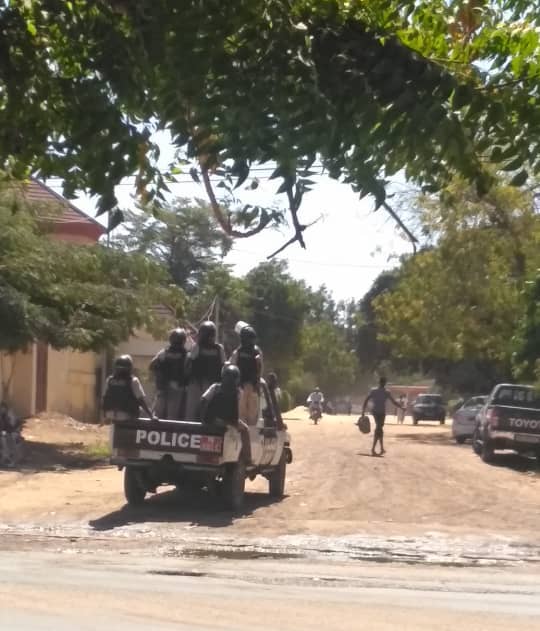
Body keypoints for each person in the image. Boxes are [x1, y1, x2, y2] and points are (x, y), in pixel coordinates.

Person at [199, 364, 252, 464]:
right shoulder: (238, 392)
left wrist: (203, 418)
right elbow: (238, 410)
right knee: (245, 430)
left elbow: (203, 400)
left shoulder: (215, 387)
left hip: (211, 419)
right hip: (229, 421)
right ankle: (247, 458)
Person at [184, 321, 226, 420]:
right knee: (193, 411)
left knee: (204, 411)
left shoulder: (217, 348)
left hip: (210, 385)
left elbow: (188, 364)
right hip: (197, 383)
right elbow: (189, 364)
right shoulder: (216, 348)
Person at [102, 355, 156, 422]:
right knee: (140, 409)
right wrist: (151, 416)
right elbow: (141, 400)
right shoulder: (133, 380)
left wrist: (104, 413)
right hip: (126, 415)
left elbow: (104, 398)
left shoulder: (110, 380)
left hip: (110, 414)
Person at [149, 328, 188, 420]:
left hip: (166, 386)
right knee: (171, 415)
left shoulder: (164, 353)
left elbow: (152, 366)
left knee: (158, 413)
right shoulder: (185, 354)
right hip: (174, 387)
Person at [362, 376, 404, 456]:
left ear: (379, 382)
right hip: (380, 412)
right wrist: (401, 407)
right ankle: (373, 449)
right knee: (379, 429)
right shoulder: (386, 392)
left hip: (376, 412)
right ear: (384, 383)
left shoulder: (374, 391)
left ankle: (381, 448)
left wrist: (363, 411)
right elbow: (393, 402)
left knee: (380, 429)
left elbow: (366, 400)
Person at [230, 325, 263, 426]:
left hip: (247, 387)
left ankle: (248, 436)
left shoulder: (239, 352)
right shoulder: (240, 352)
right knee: (247, 416)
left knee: (246, 415)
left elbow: (232, 366)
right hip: (243, 387)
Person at [0, 401, 18, 468]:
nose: (2, 410)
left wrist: (6, 432)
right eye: (1, 408)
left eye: (3, 408)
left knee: (8, 443)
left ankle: (11, 461)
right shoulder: (2, 416)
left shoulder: (9, 415)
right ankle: (5, 460)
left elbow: (12, 425)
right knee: (4, 441)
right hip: (4, 433)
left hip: (10, 433)